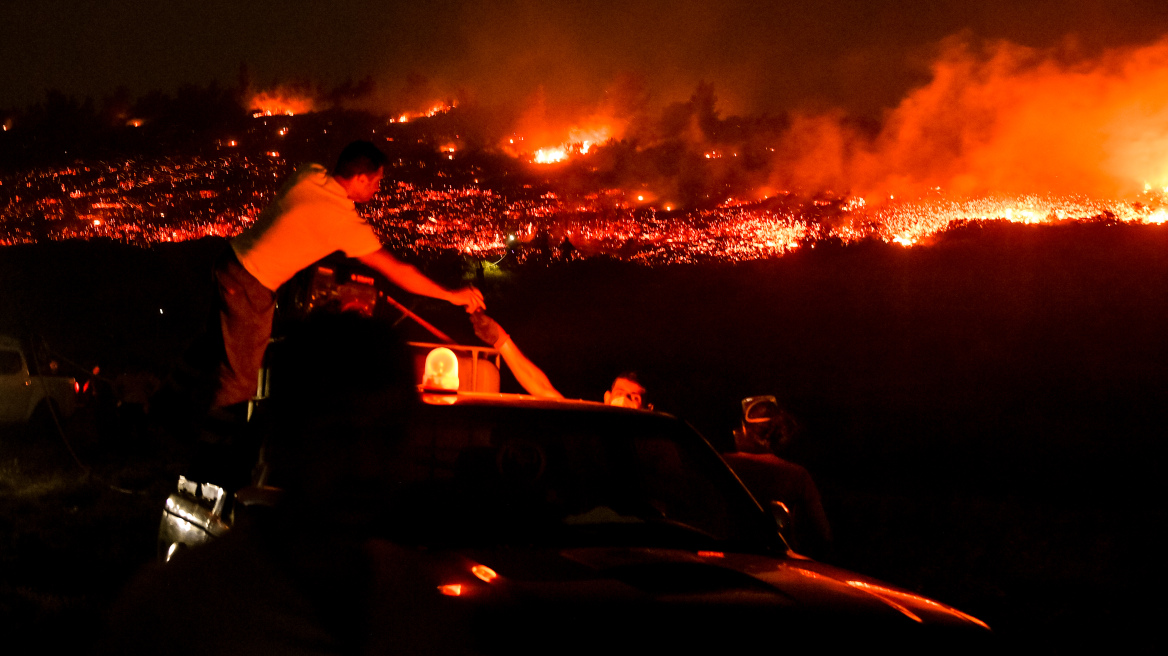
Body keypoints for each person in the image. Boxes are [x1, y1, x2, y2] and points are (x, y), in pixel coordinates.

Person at [211, 140, 484, 409]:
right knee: (240, 381)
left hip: (228, 262)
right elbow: (399, 271)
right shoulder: (342, 221)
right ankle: (218, 444)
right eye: (377, 181)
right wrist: (450, 295)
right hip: (251, 283)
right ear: (362, 179)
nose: (378, 188)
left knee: (209, 356)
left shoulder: (310, 173)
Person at [720, 396, 832, 558]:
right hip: (778, 562)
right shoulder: (797, 474)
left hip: (725, 559)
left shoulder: (719, 463)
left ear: (744, 429)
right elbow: (822, 535)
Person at [470, 311, 650, 409]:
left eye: (633, 397)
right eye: (619, 393)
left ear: (648, 408)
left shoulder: (655, 446)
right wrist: (500, 340)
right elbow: (541, 388)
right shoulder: (588, 427)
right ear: (607, 398)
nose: (624, 399)